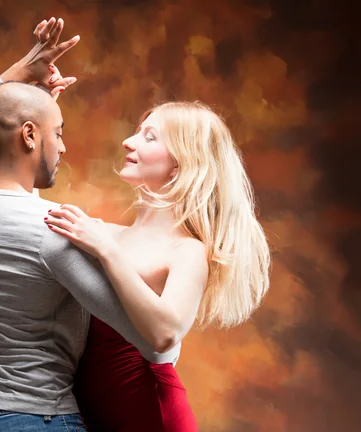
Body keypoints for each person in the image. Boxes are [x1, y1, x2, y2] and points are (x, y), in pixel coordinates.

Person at [0, 18, 179, 432]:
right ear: (28, 136)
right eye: (57, 133)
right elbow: (155, 345)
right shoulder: (57, 231)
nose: (63, 145)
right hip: (38, 419)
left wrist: (18, 75)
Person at [44, 86, 271, 430]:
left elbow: (165, 334)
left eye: (149, 137)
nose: (128, 143)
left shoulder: (188, 250)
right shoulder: (101, 232)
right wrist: (42, 108)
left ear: (181, 164)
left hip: (150, 414)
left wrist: (106, 251)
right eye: (137, 132)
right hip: (89, 412)